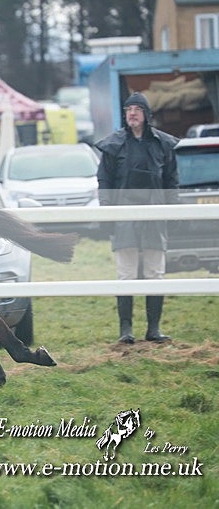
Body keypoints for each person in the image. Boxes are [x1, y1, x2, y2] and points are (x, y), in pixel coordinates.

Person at [95, 92, 179, 344]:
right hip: (124, 217)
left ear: (146, 114)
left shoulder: (162, 144)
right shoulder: (113, 145)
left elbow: (171, 182)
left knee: (155, 273)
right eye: (128, 109)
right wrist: (107, 215)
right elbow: (104, 182)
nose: (132, 113)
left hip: (156, 215)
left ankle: (154, 329)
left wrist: (172, 213)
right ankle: (126, 330)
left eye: (137, 109)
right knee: (126, 274)